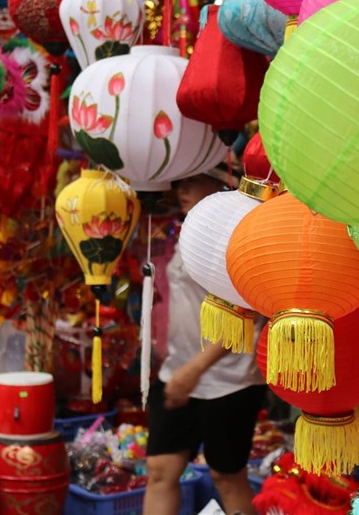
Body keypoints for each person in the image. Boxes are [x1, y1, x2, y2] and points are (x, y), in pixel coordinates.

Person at [144, 167, 266, 515]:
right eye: (180, 182)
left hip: (228, 379)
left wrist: (195, 369)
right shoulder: (190, 231)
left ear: (220, 184)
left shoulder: (235, 237)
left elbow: (248, 314)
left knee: (227, 476)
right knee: (160, 471)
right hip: (179, 372)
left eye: (193, 181)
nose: (182, 190)